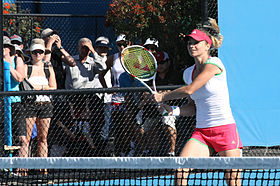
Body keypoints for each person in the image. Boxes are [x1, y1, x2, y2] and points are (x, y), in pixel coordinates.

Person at [153, 18, 243, 186]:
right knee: (180, 169)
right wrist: (174, 110)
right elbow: (193, 107)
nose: (191, 45)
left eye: (196, 42)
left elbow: (190, 89)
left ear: (207, 45)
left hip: (225, 130)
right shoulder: (188, 73)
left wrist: (163, 96)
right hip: (202, 133)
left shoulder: (215, 63)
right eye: (189, 43)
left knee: (232, 182)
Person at [64, 37, 108, 156]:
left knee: (94, 125)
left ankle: (95, 150)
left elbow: (103, 67)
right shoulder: (70, 61)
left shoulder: (93, 62)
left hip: (90, 98)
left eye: (86, 48)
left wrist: (93, 51)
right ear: (78, 48)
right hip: (73, 98)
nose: (84, 50)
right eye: (82, 47)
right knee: (75, 127)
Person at [140, 51, 184, 156]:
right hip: (153, 108)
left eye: (162, 62)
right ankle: (149, 152)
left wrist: (161, 96)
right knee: (141, 127)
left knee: (167, 122)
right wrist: (158, 96)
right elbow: (145, 96)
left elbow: (172, 93)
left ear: (168, 62)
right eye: (157, 63)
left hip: (171, 108)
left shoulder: (175, 74)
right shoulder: (151, 77)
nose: (159, 65)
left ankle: (171, 152)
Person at [24, 38, 57, 163]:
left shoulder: (48, 68)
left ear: (44, 53)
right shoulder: (27, 67)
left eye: (40, 52)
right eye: (34, 52)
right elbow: (26, 86)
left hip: (46, 105)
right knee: (26, 139)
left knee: (43, 138)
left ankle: (43, 168)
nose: (37, 54)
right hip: (30, 105)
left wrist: (38, 88)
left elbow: (53, 87)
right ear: (30, 53)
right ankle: (23, 168)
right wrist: (44, 88)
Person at [99, 34, 128, 141]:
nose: (122, 47)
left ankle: (133, 149)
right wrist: (108, 89)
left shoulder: (135, 59)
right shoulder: (113, 58)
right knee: (118, 126)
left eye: (124, 44)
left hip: (131, 95)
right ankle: (120, 152)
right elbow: (101, 75)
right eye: (119, 45)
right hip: (117, 97)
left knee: (130, 125)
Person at [3, 36, 27, 160]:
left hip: (15, 103)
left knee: (22, 138)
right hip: (2, 104)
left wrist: (7, 66)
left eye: (4, 47)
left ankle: (21, 169)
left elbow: (19, 78)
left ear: (9, 49)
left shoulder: (17, 60)